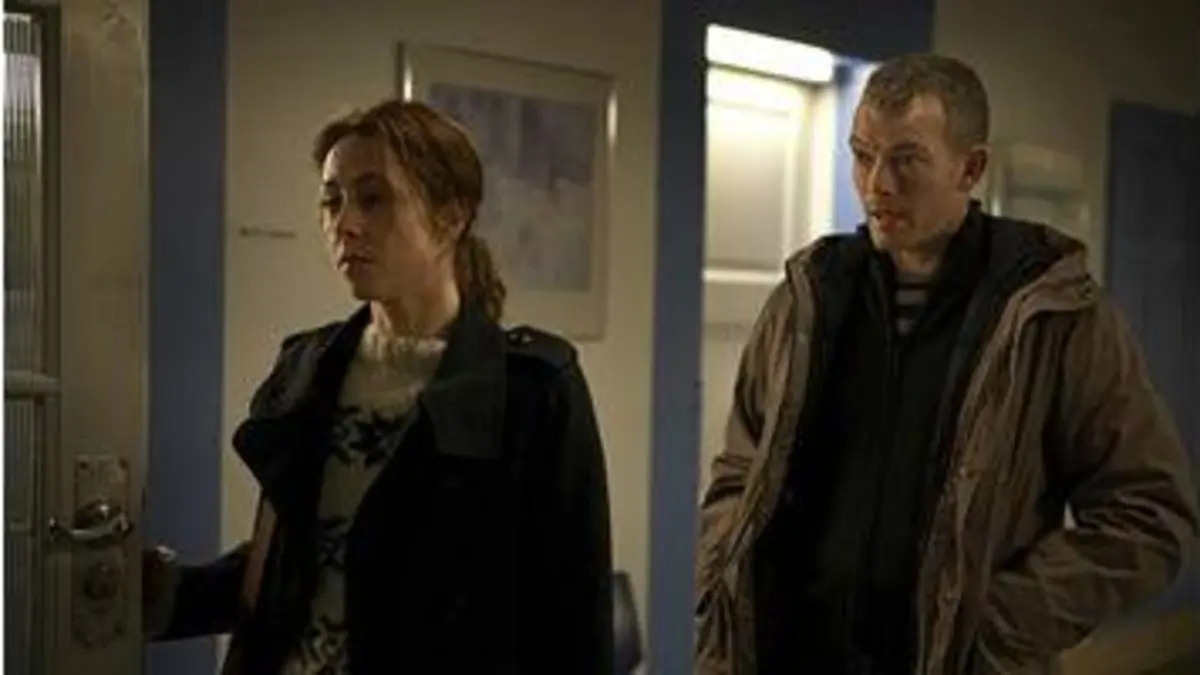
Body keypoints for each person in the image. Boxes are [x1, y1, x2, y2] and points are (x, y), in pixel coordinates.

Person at [694, 53, 1198, 675]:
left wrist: (996, 625)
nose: (877, 185)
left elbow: (1151, 515)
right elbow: (741, 469)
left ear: (971, 169)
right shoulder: (807, 299)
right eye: (862, 155)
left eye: (906, 160)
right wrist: (721, 573)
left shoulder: (1054, 318)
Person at [144, 99, 614, 675]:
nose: (345, 224)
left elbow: (571, 616)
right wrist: (159, 595)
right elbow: (298, 567)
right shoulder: (307, 366)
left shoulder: (531, 388)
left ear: (451, 216)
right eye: (332, 200)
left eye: (373, 199)